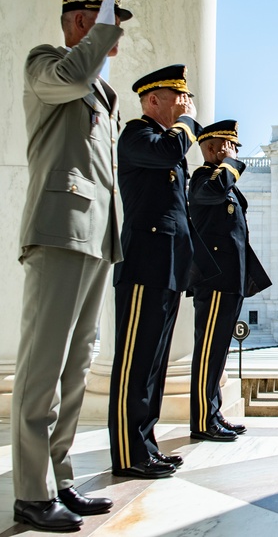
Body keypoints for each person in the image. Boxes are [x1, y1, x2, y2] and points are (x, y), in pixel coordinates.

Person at [12, 0, 130, 532]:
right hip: (59, 230)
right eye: (109, 22)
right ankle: (31, 492)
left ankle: (59, 478)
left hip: (97, 238)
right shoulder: (47, 65)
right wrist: (97, 33)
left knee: (76, 366)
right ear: (81, 21)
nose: (116, 36)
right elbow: (72, 75)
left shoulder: (106, 97)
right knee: (43, 366)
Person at [108, 65, 214, 479]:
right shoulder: (137, 136)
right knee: (134, 362)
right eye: (177, 98)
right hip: (143, 265)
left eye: (185, 101)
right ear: (153, 100)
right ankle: (128, 452)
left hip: (168, 267)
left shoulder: (163, 142)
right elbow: (170, 151)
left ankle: (146, 444)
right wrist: (187, 123)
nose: (184, 106)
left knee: (153, 362)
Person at [187, 120, 271, 441]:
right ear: (214, 148)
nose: (235, 151)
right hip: (215, 280)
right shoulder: (202, 179)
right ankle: (201, 421)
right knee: (208, 350)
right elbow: (210, 192)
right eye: (230, 145)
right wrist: (230, 164)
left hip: (232, 281)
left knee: (219, 351)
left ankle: (214, 413)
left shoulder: (225, 184)